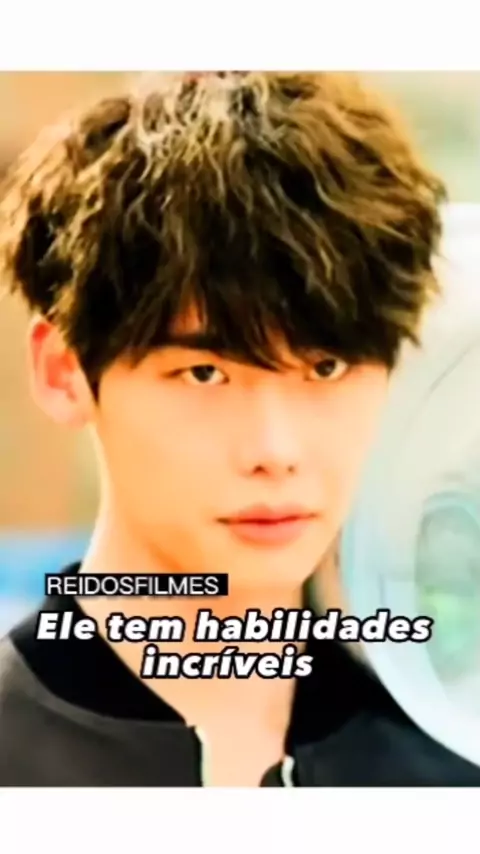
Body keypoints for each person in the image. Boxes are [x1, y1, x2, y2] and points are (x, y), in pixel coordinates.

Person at [0, 70, 478, 787]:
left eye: (326, 367)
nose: (275, 452)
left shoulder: (443, 772)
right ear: (64, 371)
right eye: (205, 374)